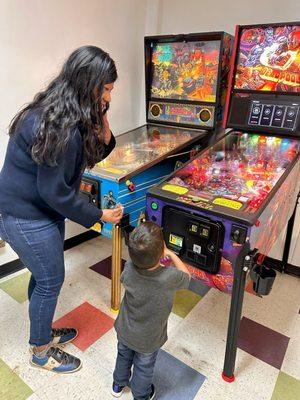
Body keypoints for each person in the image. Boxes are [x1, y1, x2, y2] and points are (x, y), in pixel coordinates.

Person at [0, 45, 124, 373]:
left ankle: (41, 330)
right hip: (24, 215)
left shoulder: (66, 111)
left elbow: (93, 153)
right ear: (90, 85)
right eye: (107, 89)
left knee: (44, 277)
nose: (110, 95)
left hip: (39, 209)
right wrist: (100, 216)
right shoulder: (57, 126)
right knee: (51, 279)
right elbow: (56, 192)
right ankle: (41, 351)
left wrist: (103, 115)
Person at [112, 222, 191, 400]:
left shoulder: (129, 268)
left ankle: (118, 384)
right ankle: (141, 395)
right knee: (144, 367)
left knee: (123, 356)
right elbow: (187, 277)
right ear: (161, 250)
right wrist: (170, 253)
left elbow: (127, 277)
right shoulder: (170, 277)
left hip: (125, 329)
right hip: (149, 338)